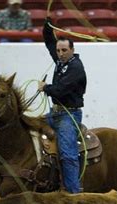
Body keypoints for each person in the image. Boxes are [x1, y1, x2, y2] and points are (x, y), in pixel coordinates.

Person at [37, 17, 87, 194]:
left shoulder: (76, 68)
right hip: (56, 113)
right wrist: (47, 26)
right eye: (59, 50)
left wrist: (45, 88)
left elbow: (60, 90)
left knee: (68, 155)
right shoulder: (61, 61)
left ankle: (73, 194)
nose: (60, 53)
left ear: (72, 50)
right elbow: (49, 42)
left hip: (69, 115)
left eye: (64, 50)